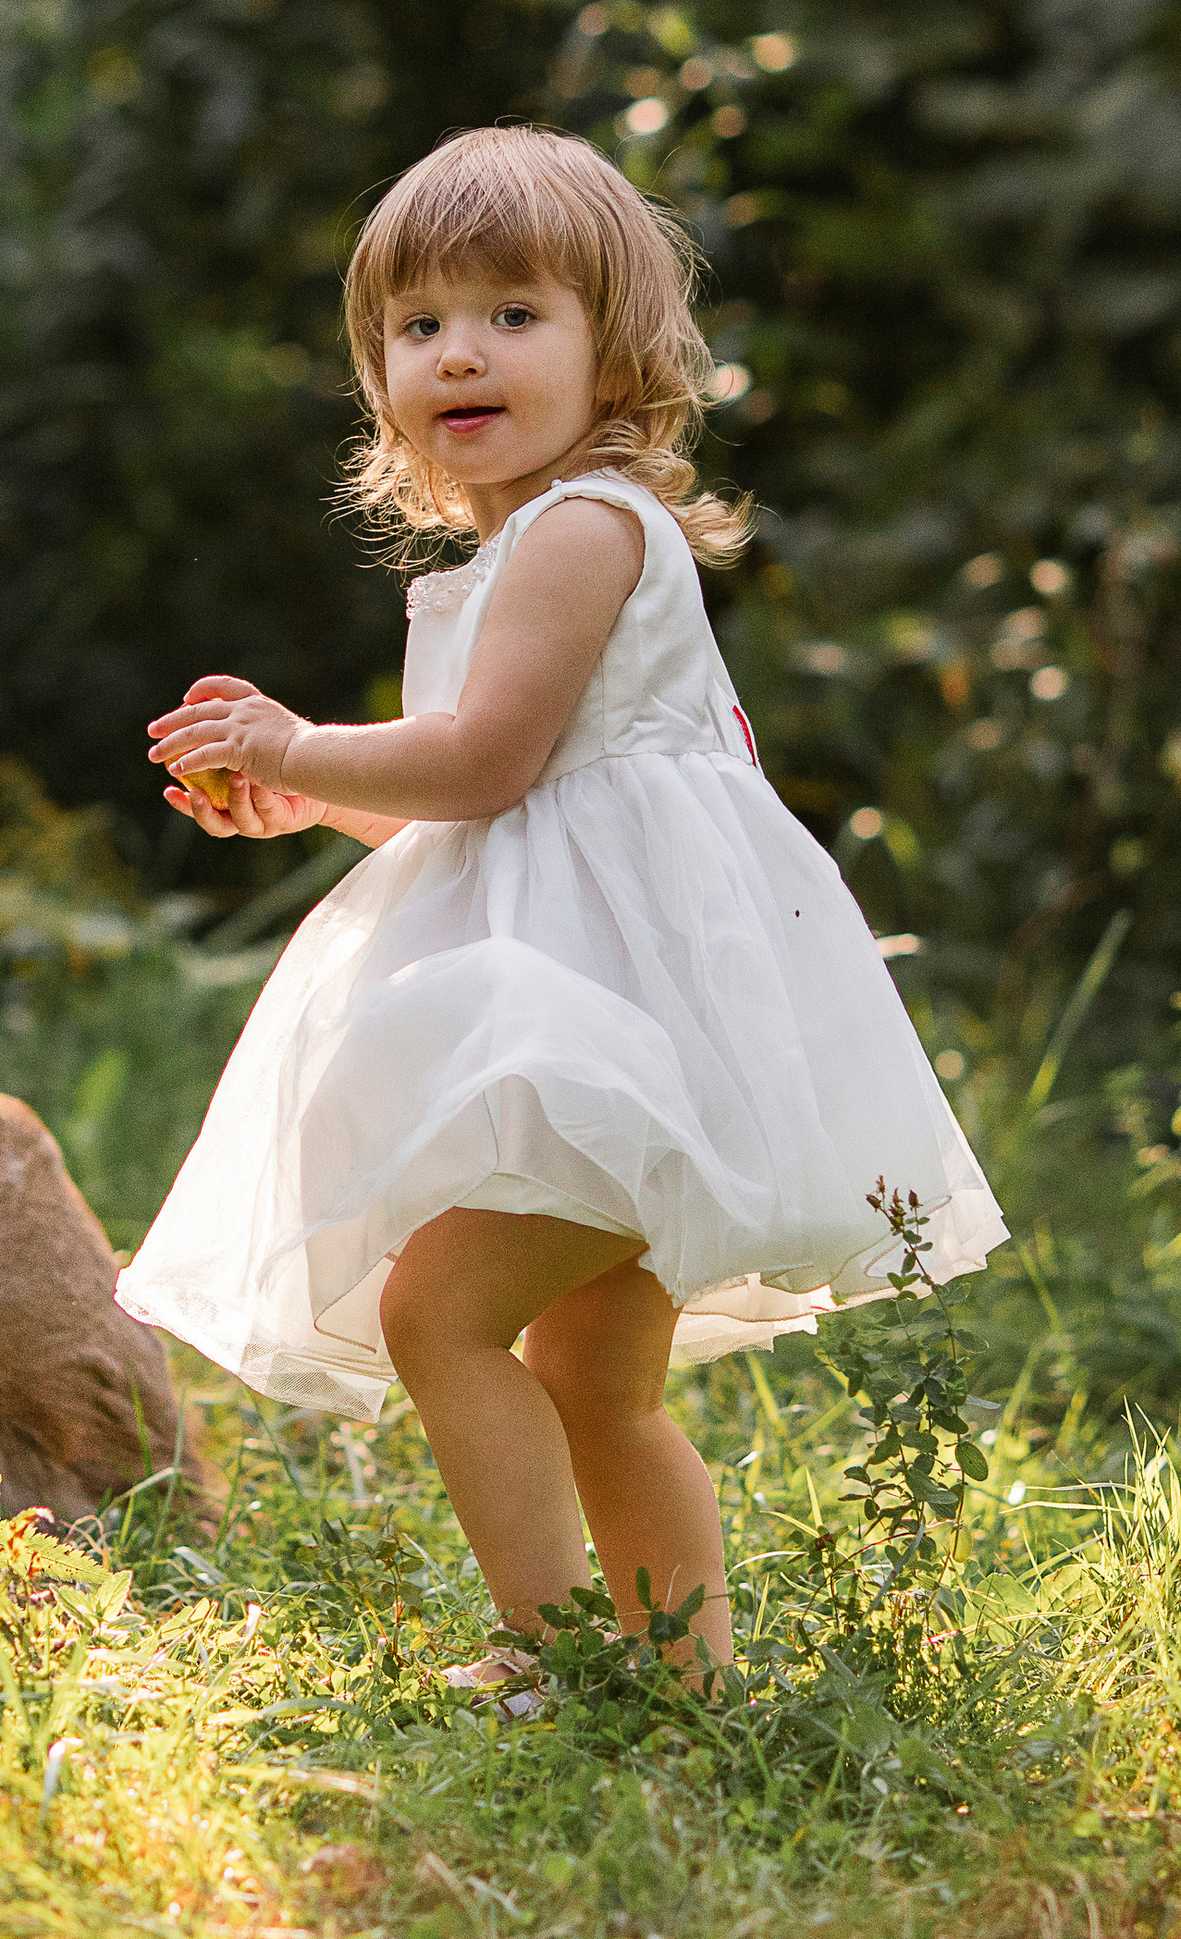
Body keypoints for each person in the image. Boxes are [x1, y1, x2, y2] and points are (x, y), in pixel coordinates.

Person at [122, 124, 1005, 1686]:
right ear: (378, 370)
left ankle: (552, 1655)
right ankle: (684, 1674)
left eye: (514, 314)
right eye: (418, 325)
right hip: (622, 1016)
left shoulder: (582, 529)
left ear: (619, 351)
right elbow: (496, 794)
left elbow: (485, 760)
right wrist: (312, 796)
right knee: (595, 1378)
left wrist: (293, 739)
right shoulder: (523, 549)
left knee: (439, 1315)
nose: (460, 352)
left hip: (623, 1022)